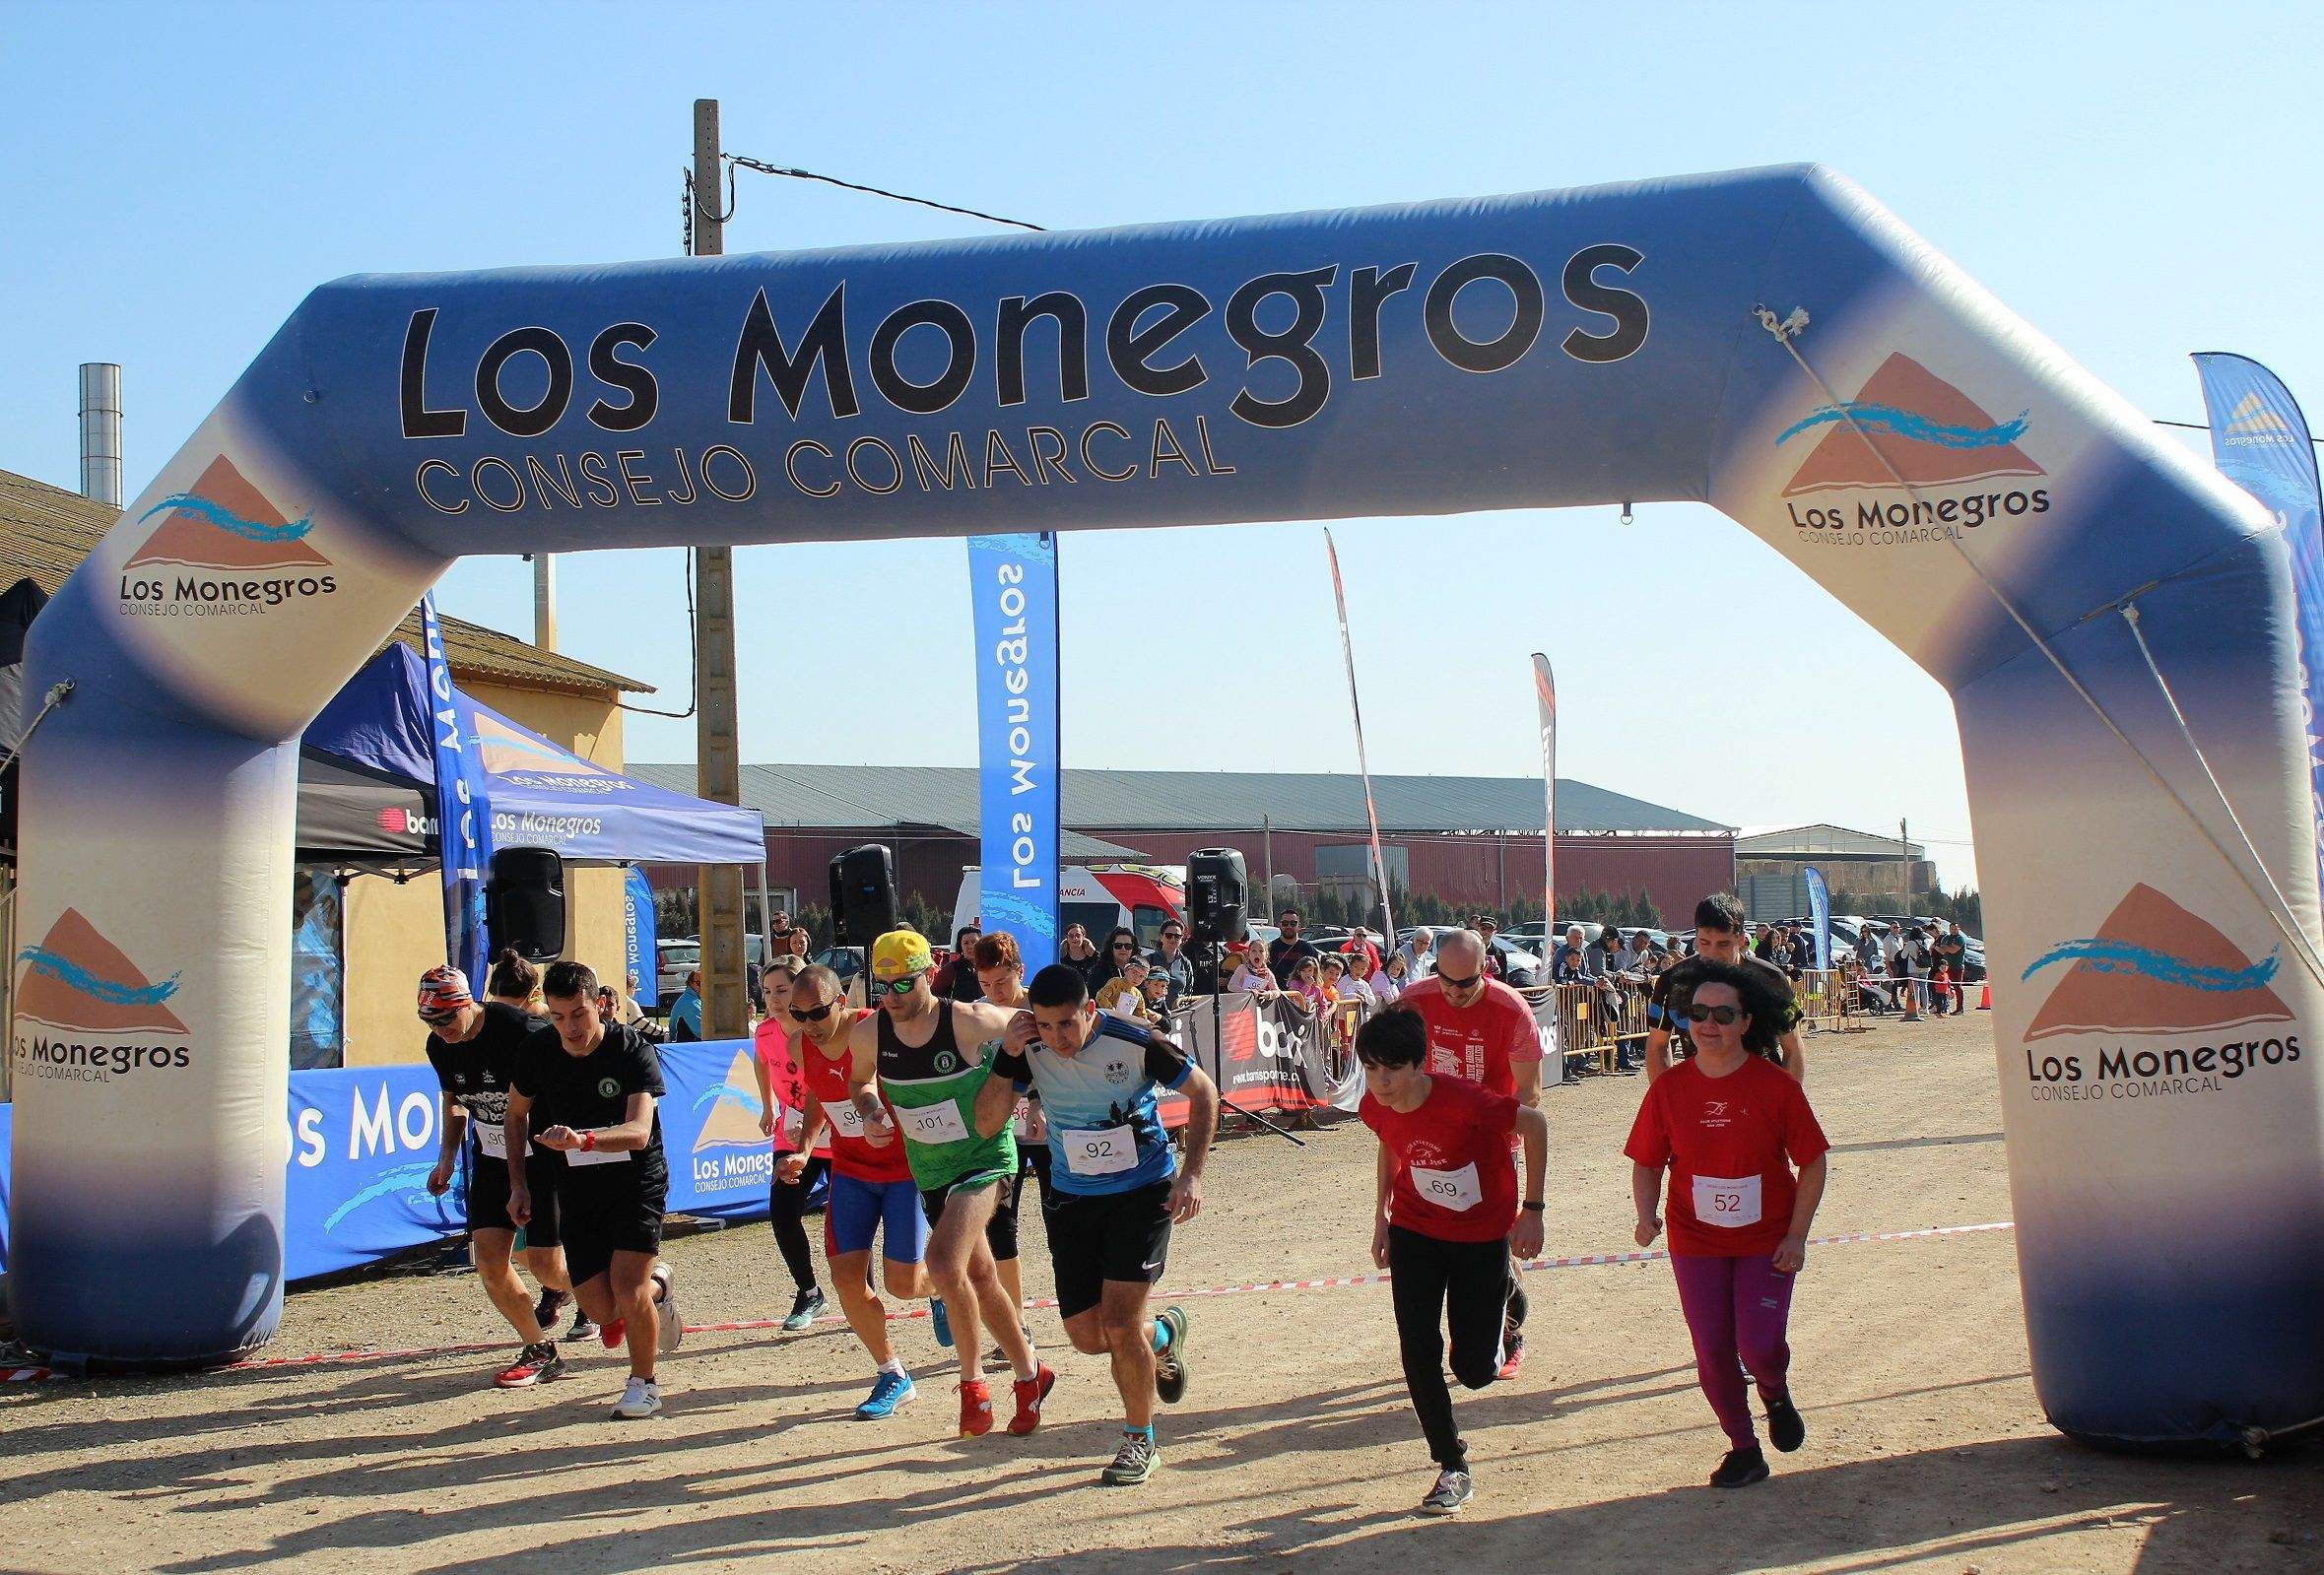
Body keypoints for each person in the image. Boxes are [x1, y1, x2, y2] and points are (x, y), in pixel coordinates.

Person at [994, 963, 1218, 1486]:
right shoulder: (1030, 1050)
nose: (1056, 1038)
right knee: (1088, 1337)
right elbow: (990, 1117)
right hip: (1073, 1198)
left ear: (1090, 1011)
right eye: (1045, 1027)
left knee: (1118, 1323)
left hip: (1143, 1194)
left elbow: (1204, 1094)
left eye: (1066, 1025)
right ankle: (1162, 1334)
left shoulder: (1137, 1040)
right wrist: (1007, 1055)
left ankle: (1139, 1439)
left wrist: (1193, 1176)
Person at [1627, 959, 1829, 1488]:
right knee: (1713, 1353)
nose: (1708, 1023)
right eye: (1697, 1013)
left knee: (1758, 1345)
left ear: (1745, 1022)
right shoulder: (1668, 1089)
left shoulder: (1777, 1087)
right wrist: (1644, 1214)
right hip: (1695, 1239)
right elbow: (1647, 1160)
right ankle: (1744, 1447)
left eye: (1722, 1013)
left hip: (1766, 1240)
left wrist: (1797, 1236)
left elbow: (1813, 1162)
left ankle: (1774, 1389)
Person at [847, 930, 1052, 1438]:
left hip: (986, 1157)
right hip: (931, 1170)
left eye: (903, 985)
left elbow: (1036, 1022)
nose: (892, 997)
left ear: (928, 976)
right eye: (883, 986)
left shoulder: (966, 1019)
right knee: (980, 1277)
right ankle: (1031, 1373)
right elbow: (859, 1081)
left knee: (941, 1262)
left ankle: (973, 1385)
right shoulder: (870, 1033)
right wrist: (871, 1109)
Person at [1358, 1006, 1548, 1514]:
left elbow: (1535, 1124)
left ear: (1419, 1064)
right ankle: (1451, 1465)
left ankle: (1507, 1296)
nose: (1380, 1082)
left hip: (1481, 1236)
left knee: (1473, 1371)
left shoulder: (1467, 1101)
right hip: (1416, 1230)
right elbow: (1391, 1149)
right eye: (1371, 1069)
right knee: (1417, 1348)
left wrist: (1532, 1210)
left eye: (1391, 1070)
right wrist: (1381, 1220)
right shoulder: (1374, 1106)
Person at [505, 960, 683, 1420]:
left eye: (579, 1014)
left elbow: (640, 1131)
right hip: (576, 1186)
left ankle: (644, 1384)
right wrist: (519, 1185)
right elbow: (515, 1115)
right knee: (602, 1310)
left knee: (627, 1284)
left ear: (600, 1005)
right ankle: (660, 1288)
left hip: (636, 1182)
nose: (570, 1027)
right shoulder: (536, 1051)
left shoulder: (632, 1049)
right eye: (558, 1017)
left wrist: (583, 1138)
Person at [785, 963, 939, 1418]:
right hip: (851, 1171)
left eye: (816, 1014)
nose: (807, 1025)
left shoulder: (876, 1029)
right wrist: (805, 1148)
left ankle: (940, 1288)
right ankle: (892, 1372)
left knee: (902, 1284)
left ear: (841, 1003)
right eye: (798, 1014)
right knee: (846, 1277)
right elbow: (819, 1096)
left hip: (904, 1171)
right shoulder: (800, 1044)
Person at [418, 965, 579, 1386]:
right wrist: (446, 1157)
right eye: (430, 1022)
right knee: (490, 1263)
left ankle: (629, 1286)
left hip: (542, 1155)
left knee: (547, 1268)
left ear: (468, 1003)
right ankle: (540, 1349)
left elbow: (568, 1075)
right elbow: (454, 1100)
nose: (440, 1030)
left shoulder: (520, 1030)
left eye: (446, 1018)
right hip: (492, 1156)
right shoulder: (440, 1046)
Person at [1394, 928, 1544, 1377]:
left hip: (1490, 1142)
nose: (1455, 992)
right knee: (1435, 1241)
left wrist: (1473, 1114)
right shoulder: (1413, 1001)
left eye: (1466, 983)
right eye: (1446, 980)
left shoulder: (1510, 1009)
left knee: (1494, 1243)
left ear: (1486, 969)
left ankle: (1509, 1328)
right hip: (1428, 1142)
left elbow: (1530, 1095)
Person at [1646, 895, 1807, 1085]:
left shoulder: (1771, 979)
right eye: (1705, 943)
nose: (1713, 953)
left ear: (1740, 939)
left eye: (1723, 944)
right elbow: (1658, 1045)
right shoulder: (1672, 981)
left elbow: (1793, 1047)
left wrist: (1787, 1103)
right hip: (1700, 1095)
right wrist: (1664, 1101)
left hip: (1761, 1093)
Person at [753, 956, 830, 1332]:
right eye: (768, 992)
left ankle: (861, 1290)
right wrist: (768, 1105)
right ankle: (809, 1291)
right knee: (783, 1213)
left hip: (833, 1131)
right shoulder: (765, 1032)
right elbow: (761, 1061)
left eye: (782, 990)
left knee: (845, 1216)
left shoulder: (818, 1031)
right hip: (792, 1132)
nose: (774, 999)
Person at [1149, 919, 1195, 1009]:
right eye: (1169, 936)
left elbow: (1188, 991)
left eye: (1177, 936)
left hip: (1178, 1014)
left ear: (1181, 939)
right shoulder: (1150, 960)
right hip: (1153, 1014)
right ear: (1161, 937)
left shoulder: (1186, 963)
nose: (1173, 939)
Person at [1267, 908, 1320, 982]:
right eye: (1285, 923)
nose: (1289, 926)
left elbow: (1317, 974)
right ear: (1279, 925)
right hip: (1276, 992)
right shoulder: (1270, 947)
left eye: (1293, 923)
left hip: (1302, 991)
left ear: (1299, 926)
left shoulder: (1308, 949)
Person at [486, 949, 545, 1015]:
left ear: (534, 995)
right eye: (497, 1007)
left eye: (512, 1009)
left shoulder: (554, 1023)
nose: (503, 1015)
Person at [1095, 954, 1154, 1020]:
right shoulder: (1116, 982)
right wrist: (1111, 1010)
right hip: (1107, 1020)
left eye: (1141, 976)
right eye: (1134, 972)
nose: (1137, 978)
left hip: (1124, 1025)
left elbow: (1141, 1013)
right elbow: (1101, 996)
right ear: (1126, 970)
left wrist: (1143, 1022)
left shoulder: (1138, 994)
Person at [1930, 920, 1967, 1016]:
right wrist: (1937, 947)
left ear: (1958, 929)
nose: (1953, 930)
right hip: (1946, 967)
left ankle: (1960, 1008)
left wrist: (1945, 947)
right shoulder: (1946, 938)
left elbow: (1953, 950)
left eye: (1955, 929)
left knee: (1957, 987)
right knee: (1945, 987)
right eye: (1951, 929)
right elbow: (1942, 951)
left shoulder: (1960, 939)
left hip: (1957, 966)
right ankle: (1945, 1007)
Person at [942, 925, 986, 1003]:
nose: (970, 946)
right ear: (960, 946)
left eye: (974, 942)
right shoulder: (951, 969)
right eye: (966, 943)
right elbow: (935, 996)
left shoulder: (989, 967)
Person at [669, 968, 703, 1042]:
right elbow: (702, 1033)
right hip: (688, 1047)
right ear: (690, 983)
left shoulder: (693, 998)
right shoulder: (690, 1003)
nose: (703, 986)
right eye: (699, 983)